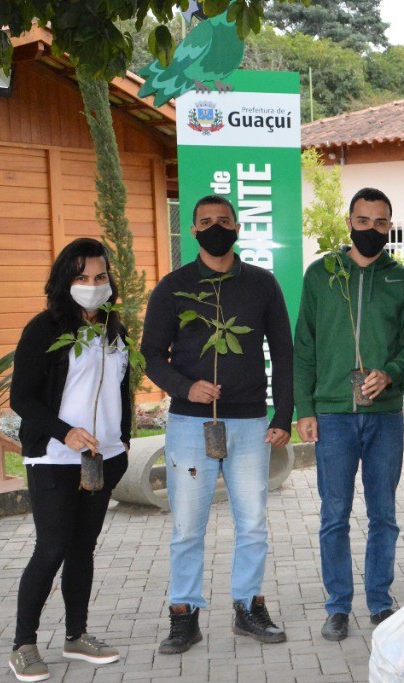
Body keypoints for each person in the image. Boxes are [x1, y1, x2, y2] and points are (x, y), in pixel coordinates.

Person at [142, 194, 294, 654]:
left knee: (253, 523)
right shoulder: (174, 287)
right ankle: (184, 613)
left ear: (237, 227)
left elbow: (284, 352)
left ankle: (248, 607)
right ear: (192, 231)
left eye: (224, 220)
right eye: (206, 222)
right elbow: (151, 355)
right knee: (188, 525)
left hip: (249, 423)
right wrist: (185, 388)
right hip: (191, 426)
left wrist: (282, 414)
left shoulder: (262, 285)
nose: (216, 227)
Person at [295, 188, 404, 641]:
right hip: (333, 417)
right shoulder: (322, 275)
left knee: (383, 515)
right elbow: (304, 346)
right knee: (334, 514)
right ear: (349, 222)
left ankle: (381, 603)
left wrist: (389, 374)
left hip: (384, 417)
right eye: (364, 221)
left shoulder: (403, 281)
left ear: (391, 225)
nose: (372, 230)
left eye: (381, 222)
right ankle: (338, 607)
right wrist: (304, 409)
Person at [6, 238, 133, 682]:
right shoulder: (44, 329)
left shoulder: (114, 331)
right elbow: (21, 396)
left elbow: (121, 392)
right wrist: (66, 432)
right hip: (55, 459)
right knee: (53, 547)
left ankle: (76, 636)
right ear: (65, 281)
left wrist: (123, 444)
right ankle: (23, 644)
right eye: (81, 278)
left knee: (83, 548)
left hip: (103, 460)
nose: (92, 286)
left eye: (100, 277)